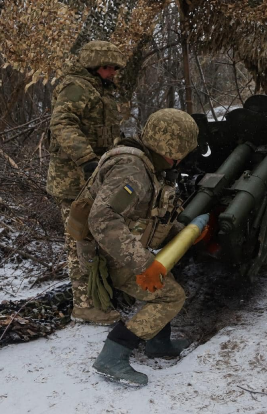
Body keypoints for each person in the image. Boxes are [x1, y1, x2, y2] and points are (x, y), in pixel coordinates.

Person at [76, 109, 200, 386]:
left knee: (165, 277)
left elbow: (147, 216)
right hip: (109, 255)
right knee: (170, 295)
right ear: (170, 150)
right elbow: (104, 220)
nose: (181, 160)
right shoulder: (131, 170)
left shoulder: (146, 164)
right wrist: (145, 264)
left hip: (121, 248)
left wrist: (182, 233)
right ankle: (111, 356)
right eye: (180, 153)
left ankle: (159, 343)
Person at [47, 40, 125, 325]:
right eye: (107, 67)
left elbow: (105, 130)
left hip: (96, 178)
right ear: (93, 65)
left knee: (101, 237)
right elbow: (62, 124)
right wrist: (87, 158)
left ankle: (103, 293)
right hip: (73, 180)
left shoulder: (100, 89)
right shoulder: (76, 87)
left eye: (114, 68)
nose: (112, 73)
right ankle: (84, 305)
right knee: (79, 242)